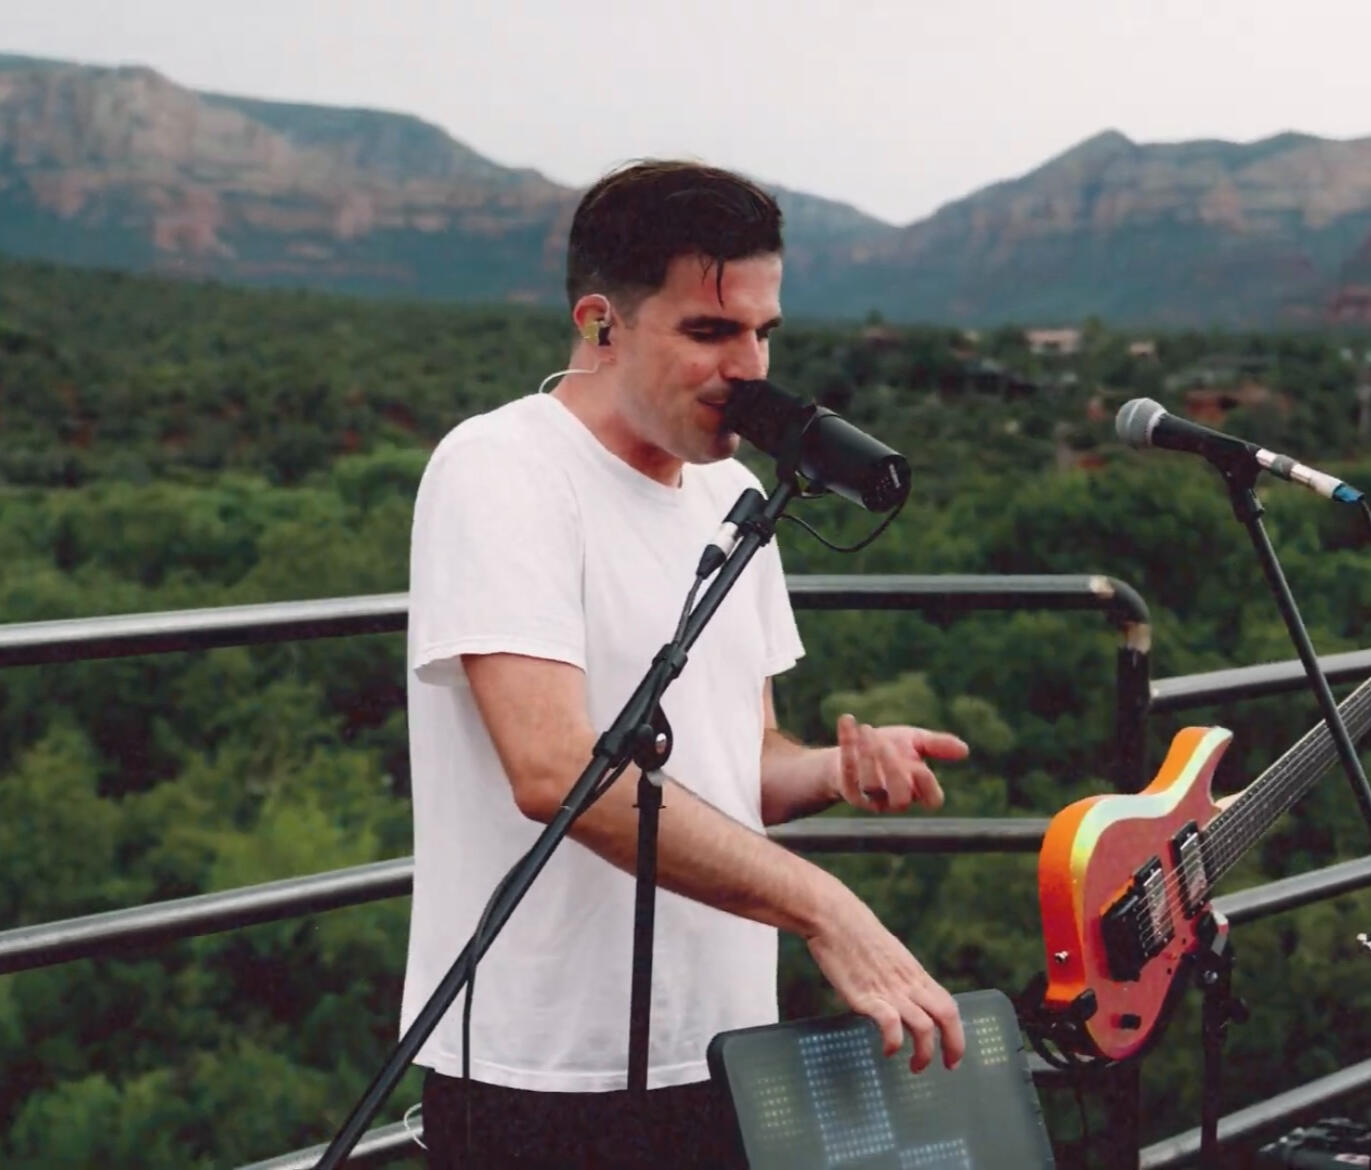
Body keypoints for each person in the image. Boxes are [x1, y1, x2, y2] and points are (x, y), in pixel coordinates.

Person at [400, 159, 971, 1169]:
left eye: (763, 332)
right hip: (542, 1070)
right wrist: (823, 908)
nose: (749, 368)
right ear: (599, 324)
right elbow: (554, 770)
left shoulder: (729, 496)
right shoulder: (501, 469)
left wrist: (833, 770)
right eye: (709, 332)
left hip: (725, 1048)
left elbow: (743, 761)